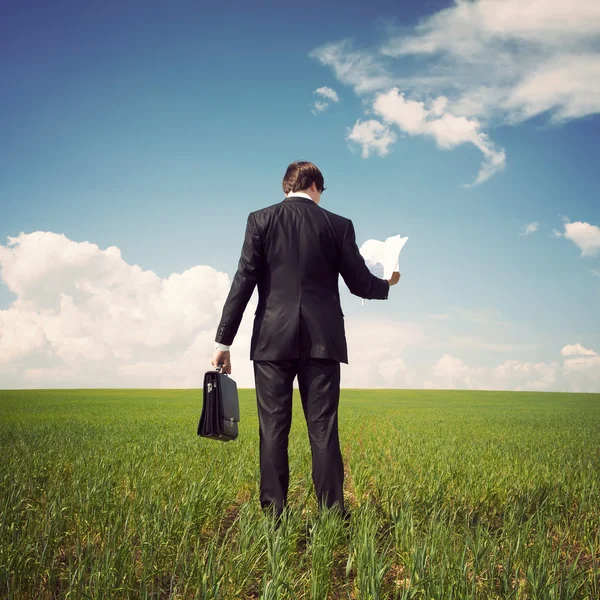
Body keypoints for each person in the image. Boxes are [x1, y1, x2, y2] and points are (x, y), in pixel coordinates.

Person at [211, 161, 400, 521]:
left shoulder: (260, 220)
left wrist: (223, 342)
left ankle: (273, 518)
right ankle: (331, 517)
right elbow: (360, 283)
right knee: (324, 428)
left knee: (273, 430)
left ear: (287, 187)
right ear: (315, 186)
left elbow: (243, 283)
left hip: (271, 341)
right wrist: (387, 283)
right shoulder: (338, 225)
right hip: (322, 342)